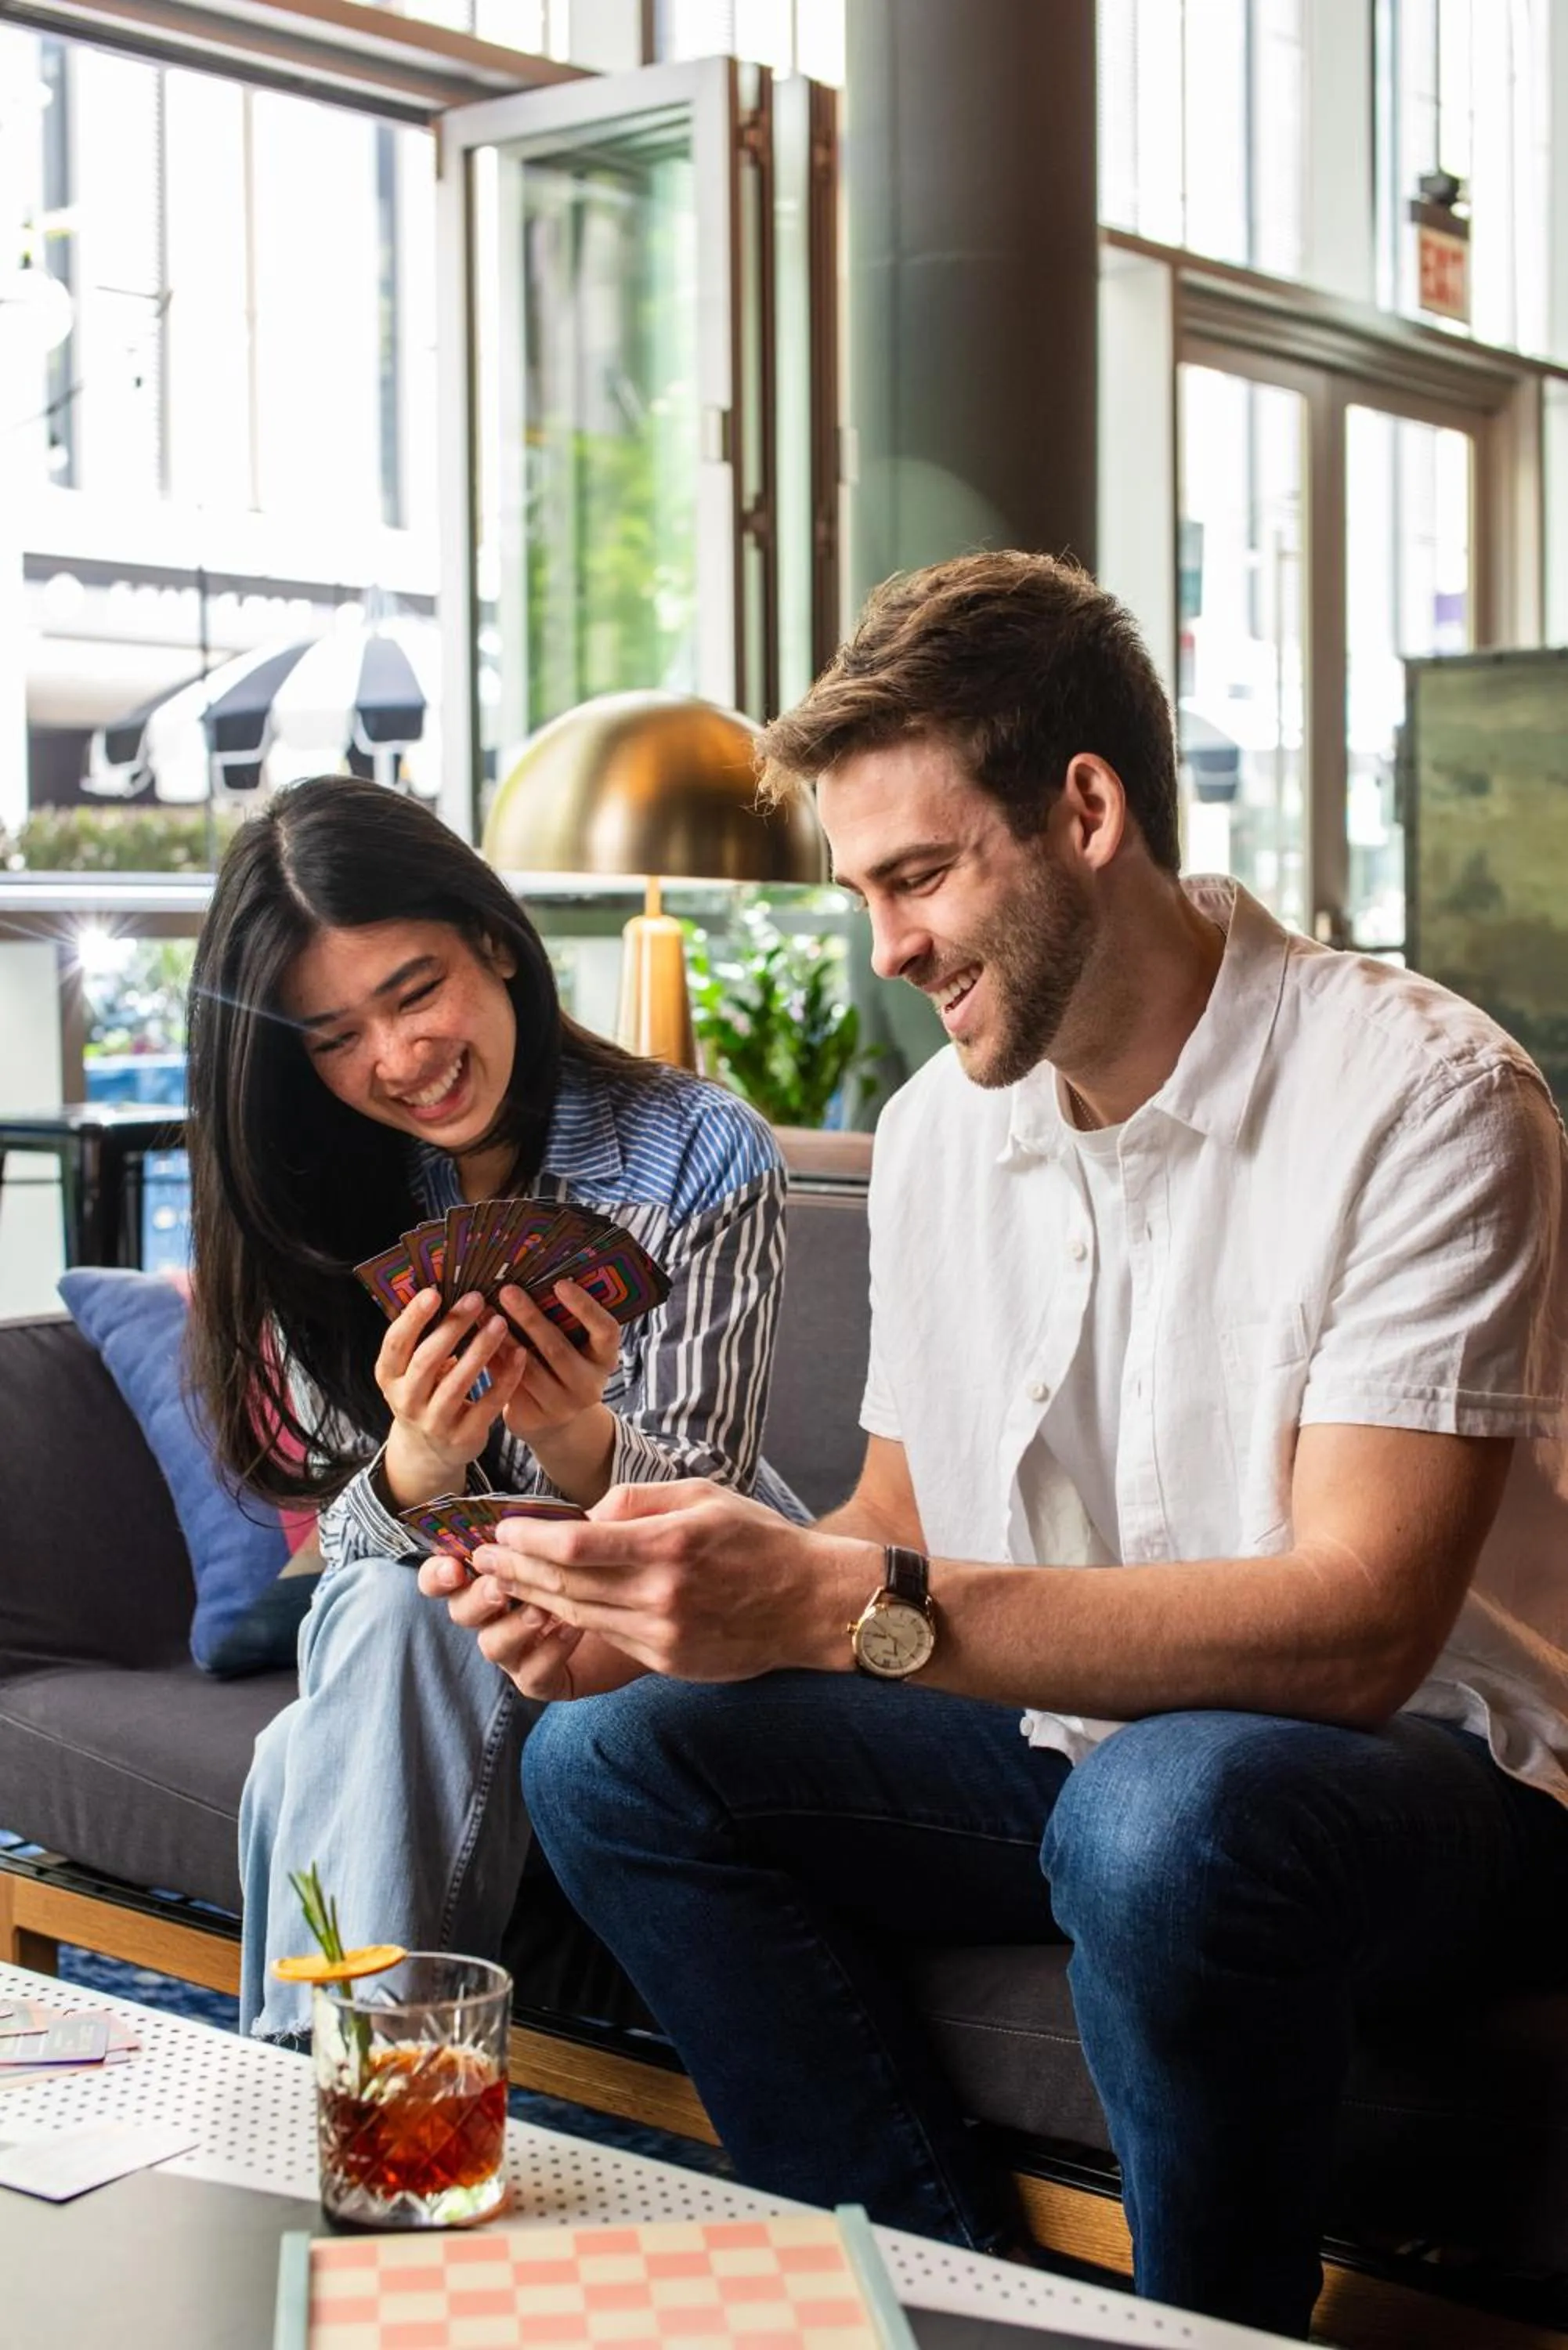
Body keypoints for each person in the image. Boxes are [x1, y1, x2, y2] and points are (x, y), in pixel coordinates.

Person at [421, 553, 1568, 2340]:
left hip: (1435, 1784)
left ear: (1084, 811)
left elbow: (1359, 1629)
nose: (882, 947)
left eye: (918, 875)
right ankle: (937, 2312)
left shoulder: (1424, 1100)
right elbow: (899, 1516)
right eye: (862, 889)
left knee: (1160, 1812)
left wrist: (822, 1603)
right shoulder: (940, 1135)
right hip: (1070, 1743)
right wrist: (667, 1613)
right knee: (614, 1760)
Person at [183, 776, 800, 2040]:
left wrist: (575, 1435)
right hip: (436, 1636)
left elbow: (708, 1519)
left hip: (680, 1630)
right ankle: (369, 2106)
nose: (398, 1059)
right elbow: (342, 1565)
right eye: (334, 1035)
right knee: (346, 1677)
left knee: (323, 1721)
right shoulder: (335, 1187)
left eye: (414, 991)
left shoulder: (699, 1150)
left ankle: (357, 2117)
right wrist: (416, 1461)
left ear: (493, 943)